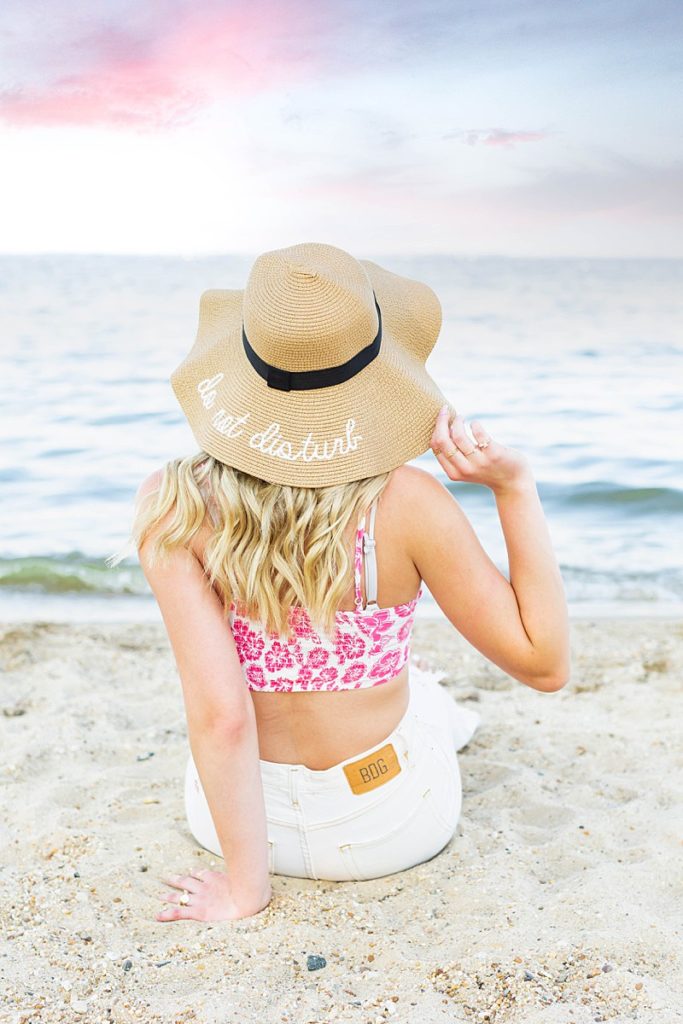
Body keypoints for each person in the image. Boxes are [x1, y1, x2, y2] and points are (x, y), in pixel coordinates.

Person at [113, 241, 570, 924]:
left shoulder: (172, 503)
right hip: (389, 828)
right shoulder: (408, 503)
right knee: (423, 694)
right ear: (374, 371)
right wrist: (513, 487)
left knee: (408, 692)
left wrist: (246, 888)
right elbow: (544, 665)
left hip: (238, 828)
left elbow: (221, 716)